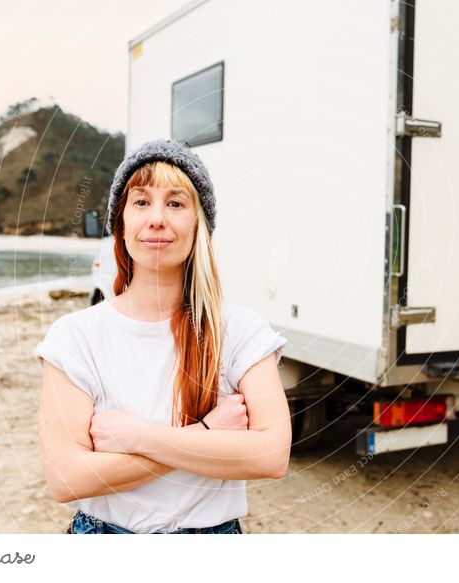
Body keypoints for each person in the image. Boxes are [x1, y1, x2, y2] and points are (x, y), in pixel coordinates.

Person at [33, 139, 291, 534]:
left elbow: (272, 456)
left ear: (198, 224)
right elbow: (67, 479)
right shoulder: (75, 336)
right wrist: (203, 435)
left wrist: (138, 437)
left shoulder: (239, 330)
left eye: (175, 203)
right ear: (120, 224)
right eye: (140, 202)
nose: (157, 218)